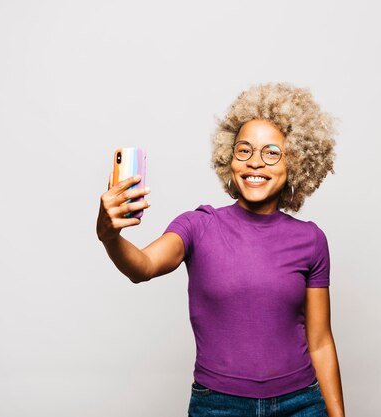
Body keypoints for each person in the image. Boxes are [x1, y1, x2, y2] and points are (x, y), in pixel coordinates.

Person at [96, 83, 345, 417]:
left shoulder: (311, 240)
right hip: (218, 406)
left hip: (300, 404)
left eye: (271, 152)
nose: (255, 163)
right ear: (230, 159)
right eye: (244, 151)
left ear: (295, 163)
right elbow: (142, 267)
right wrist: (109, 235)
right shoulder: (198, 226)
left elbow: (320, 342)